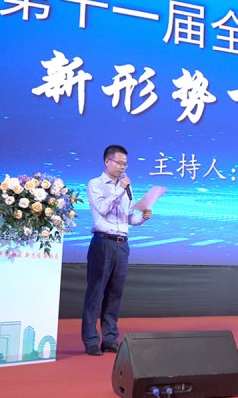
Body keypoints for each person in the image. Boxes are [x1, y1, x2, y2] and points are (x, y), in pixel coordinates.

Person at [82, 144, 152, 356]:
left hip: (122, 244)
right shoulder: (95, 184)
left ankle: (110, 339)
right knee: (96, 292)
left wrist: (143, 217)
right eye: (119, 163)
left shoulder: (126, 188)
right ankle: (91, 340)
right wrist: (120, 189)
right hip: (103, 242)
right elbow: (103, 209)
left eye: (125, 164)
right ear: (107, 162)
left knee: (115, 293)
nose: (123, 167)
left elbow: (129, 218)